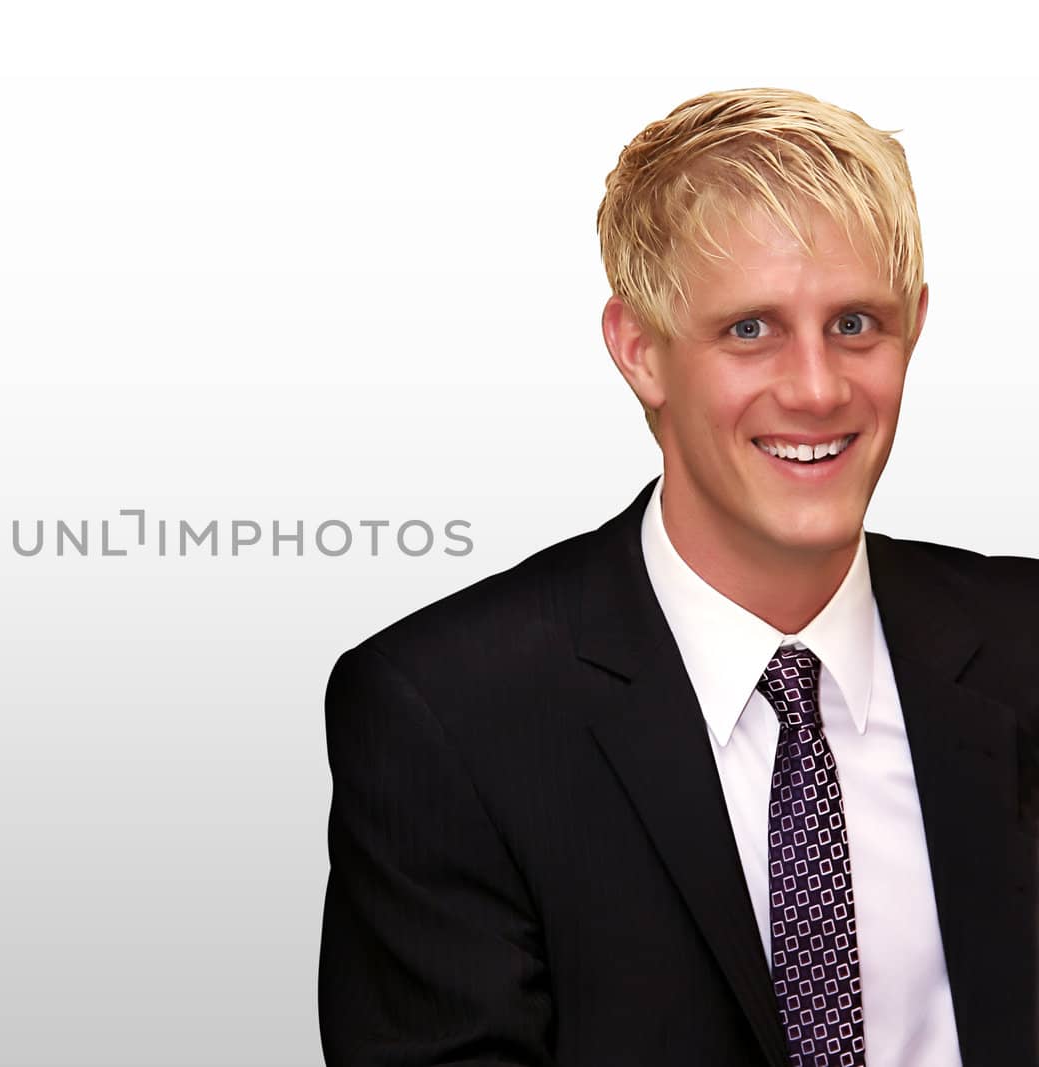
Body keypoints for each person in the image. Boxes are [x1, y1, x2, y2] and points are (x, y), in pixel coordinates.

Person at [317, 87, 1038, 1066]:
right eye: (750, 329)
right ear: (639, 350)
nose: (817, 387)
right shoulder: (447, 713)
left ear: (914, 324)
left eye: (855, 323)